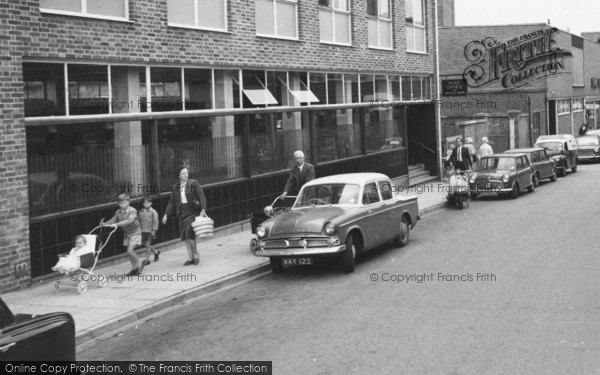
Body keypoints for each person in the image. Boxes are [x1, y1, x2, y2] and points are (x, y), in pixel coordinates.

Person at [162, 166, 207, 266]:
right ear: (179, 175)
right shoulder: (175, 187)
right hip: (182, 213)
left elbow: (201, 196)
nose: (186, 175)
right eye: (183, 173)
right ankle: (190, 258)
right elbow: (172, 202)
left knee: (190, 235)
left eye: (187, 173)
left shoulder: (193, 183)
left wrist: (203, 209)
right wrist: (166, 214)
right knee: (185, 237)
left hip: (193, 212)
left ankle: (196, 255)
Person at [101, 193, 144, 276]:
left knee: (130, 250)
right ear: (118, 204)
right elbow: (113, 220)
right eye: (120, 203)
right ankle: (134, 269)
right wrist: (105, 224)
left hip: (136, 232)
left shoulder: (133, 210)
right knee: (129, 253)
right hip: (127, 234)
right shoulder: (118, 212)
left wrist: (117, 224)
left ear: (128, 202)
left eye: (124, 203)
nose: (122, 205)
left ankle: (139, 265)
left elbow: (129, 221)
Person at [139, 196, 160, 267]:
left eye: (148, 202)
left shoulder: (153, 212)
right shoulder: (141, 212)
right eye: (144, 203)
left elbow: (156, 221)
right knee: (146, 244)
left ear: (151, 203)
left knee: (148, 243)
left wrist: (154, 230)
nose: (146, 204)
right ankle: (155, 252)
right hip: (143, 231)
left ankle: (147, 259)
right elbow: (139, 221)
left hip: (150, 231)